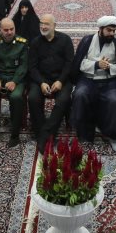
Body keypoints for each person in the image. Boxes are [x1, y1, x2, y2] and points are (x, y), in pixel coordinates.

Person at [70, 16, 116, 153]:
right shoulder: (87, 41)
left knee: (114, 100)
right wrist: (96, 64)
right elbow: (79, 63)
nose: (112, 33)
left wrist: (109, 67)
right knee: (80, 95)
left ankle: (113, 137)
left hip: (109, 82)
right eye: (109, 30)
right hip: (88, 79)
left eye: (114, 31)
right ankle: (83, 134)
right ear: (100, 29)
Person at [26, 14, 74, 151]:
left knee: (63, 100)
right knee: (33, 98)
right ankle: (45, 133)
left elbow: (69, 63)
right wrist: (41, 82)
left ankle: (44, 136)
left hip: (61, 79)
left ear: (54, 26)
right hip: (41, 79)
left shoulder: (65, 40)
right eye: (41, 23)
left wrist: (60, 81)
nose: (43, 26)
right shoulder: (35, 42)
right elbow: (32, 67)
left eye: (46, 24)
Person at [0, 18, 29, 146]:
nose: (9, 32)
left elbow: (24, 66)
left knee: (16, 97)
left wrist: (14, 81)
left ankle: (15, 134)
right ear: (0, 30)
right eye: (6, 30)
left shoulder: (22, 43)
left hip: (15, 77)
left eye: (12, 29)